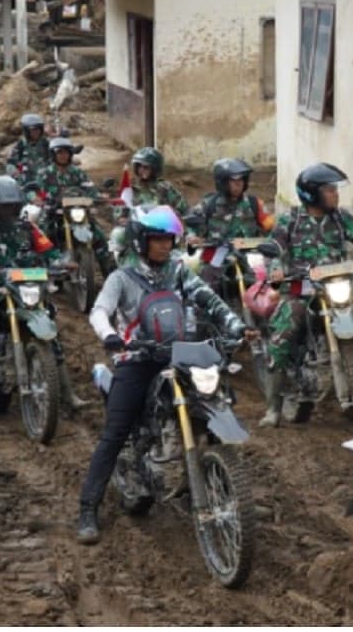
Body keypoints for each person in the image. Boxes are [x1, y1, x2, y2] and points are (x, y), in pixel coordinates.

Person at [77, 205, 256, 544]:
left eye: (169, 239)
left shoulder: (179, 272)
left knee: (215, 403)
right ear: (142, 240)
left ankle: (230, 490)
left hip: (182, 355)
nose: (165, 245)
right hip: (138, 358)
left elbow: (212, 302)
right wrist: (110, 336)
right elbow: (100, 310)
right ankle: (88, 508)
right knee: (115, 432)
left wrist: (237, 326)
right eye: (158, 239)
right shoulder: (122, 277)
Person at [259, 162, 353, 428]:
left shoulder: (340, 218)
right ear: (312, 194)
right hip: (303, 291)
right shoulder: (291, 220)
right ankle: (273, 407)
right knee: (284, 332)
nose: (336, 194)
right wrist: (276, 270)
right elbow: (275, 249)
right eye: (330, 190)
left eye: (336, 189)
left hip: (340, 287)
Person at [0, 176, 82, 410]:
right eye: (3, 205)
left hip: (27, 288)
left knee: (51, 334)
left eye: (12, 205)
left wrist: (62, 262)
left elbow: (48, 250)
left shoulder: (27, 226)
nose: (8, 210)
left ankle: (67, 395)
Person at [184, 157, 274, 286]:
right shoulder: (209, 204)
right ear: (223, 182)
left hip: (249, 254)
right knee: (204, 282)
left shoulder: (255, 204)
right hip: (218, 252)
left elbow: (272, 229)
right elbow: (191, 225)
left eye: (241, 180)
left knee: (265, 285)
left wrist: (267, 244)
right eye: (233, 181)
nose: (239, 184)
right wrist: (192, 237)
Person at [34, 136, 114, 277]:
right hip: (53, 214)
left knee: (100, 237)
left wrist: (99, 196)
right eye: (59, 152)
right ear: (53, 154)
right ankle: (42, 277)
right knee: (41, 236)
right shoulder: (45, 173)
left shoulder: (77, 172)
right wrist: (36, 198)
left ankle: (111, 275)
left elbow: (89, 187)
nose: (63, 156)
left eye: (66, 152)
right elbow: (33, 190)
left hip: (77, 213)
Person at [114, 147, 188, 223]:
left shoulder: (165, 188)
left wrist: (175, 216)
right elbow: (120, 213)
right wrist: (123, 218)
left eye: (146, 167)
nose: (142, 170)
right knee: (118, 233)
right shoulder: (131, 189)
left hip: (162, 229)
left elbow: (183, 209)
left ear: (155, 169)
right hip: (137, 230)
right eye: (139, 166)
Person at [5, 114, 49, 184]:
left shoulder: (46, 144)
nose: (36, 132)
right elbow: (11, 164)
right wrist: (15, 173)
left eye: (38, 129)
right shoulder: (20, 145)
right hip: (25, 184)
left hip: (45, 183)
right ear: (26, 130)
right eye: (33, 129)